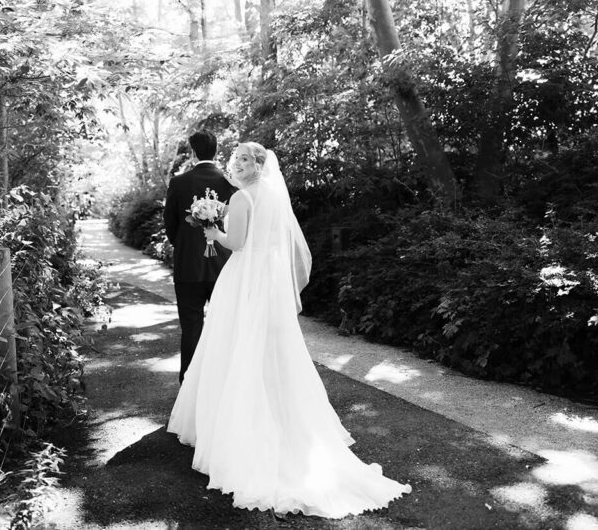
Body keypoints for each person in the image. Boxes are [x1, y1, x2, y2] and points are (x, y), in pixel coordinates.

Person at [167, 142, 412, 518]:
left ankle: (238, 426)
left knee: (236, 342)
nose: (238, 164)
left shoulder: (246, 198)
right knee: (267, 344)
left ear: (258, 165)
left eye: (245, 160)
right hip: (268, 280)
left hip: (245, 276)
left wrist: (214, 233)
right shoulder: (269, 194)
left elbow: (237, 244)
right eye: (236, 159)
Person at [163, 130, 237, 384]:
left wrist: (183, 245)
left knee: (191, 325)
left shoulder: (178, 183)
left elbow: (170, 225)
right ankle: (221, 383)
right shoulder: (230, 183)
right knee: (223, 326)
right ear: (216, 151)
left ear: (193, 152)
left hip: (188, 264)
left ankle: (190, 383)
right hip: (224, 264)